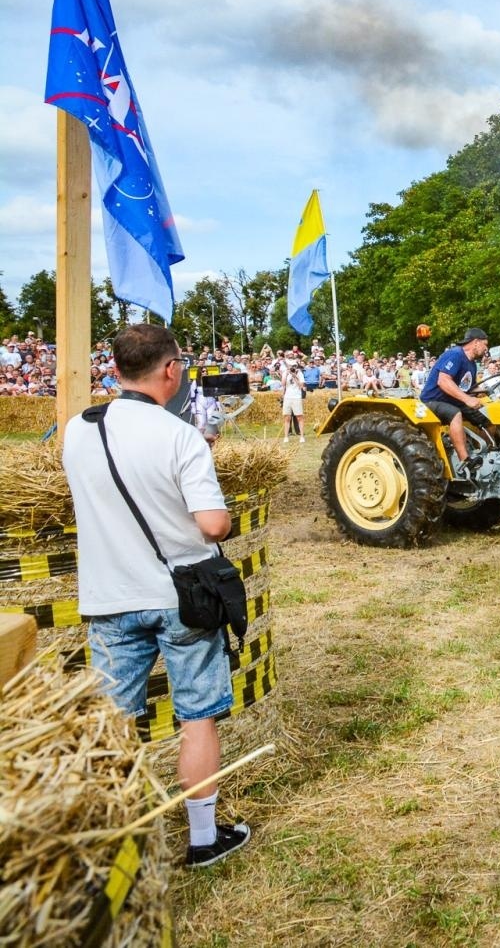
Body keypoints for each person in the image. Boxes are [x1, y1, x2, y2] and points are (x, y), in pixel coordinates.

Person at [62, 325, 250, 868]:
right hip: (179, 594)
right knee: (197, 717)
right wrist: (226, 515)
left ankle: (111, 843)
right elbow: (212, 524)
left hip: (107, 595)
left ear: (116, 368)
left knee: (111, 723)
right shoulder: (179, 435)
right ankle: (203, 837)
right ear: (170, 370)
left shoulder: (79, 429)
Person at [420, 327, 493, 475]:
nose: (486, 348)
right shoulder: (455, 354)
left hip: (453, 400)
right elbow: (443, 381)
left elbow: (463, 388)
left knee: (489, 420)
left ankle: (489, 455)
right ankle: (465, 461)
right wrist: (467, 399)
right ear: (476, 342)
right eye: (485, 344)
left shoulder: (472, 364)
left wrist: (478, 394)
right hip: (432, 401)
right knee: (455, 414)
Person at [281, 362, 306, 443]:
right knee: (287, 417)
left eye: (294, 366)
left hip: (296, 397)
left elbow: (301, 386)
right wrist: (287, 374)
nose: (292, 367)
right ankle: (286, 436)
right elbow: (283, 384)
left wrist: (295, 376)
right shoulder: (286, 372)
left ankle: (302, 436)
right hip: (287, 397)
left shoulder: (299, 373)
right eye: (291, 366)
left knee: (299, 417)